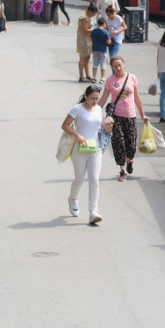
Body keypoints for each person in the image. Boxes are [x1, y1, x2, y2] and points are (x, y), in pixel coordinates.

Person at [61, 84, 112, 225]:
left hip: (95, 148)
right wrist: (77, 135)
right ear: (85, 96)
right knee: (79, 178)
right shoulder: (77, 109)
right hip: (79, 148)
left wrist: (107, 126)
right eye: (92, 98)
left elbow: (98, 126)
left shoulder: (99, 109)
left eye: (97, 98)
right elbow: (65, 125)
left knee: (94, 179)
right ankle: (72, 199)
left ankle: (93, 212)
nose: (95, 101)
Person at [99, 55, 150, 182]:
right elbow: (103, 99)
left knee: (131, 144)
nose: (117, 68)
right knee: (119, 142)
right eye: (115, 66)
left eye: (119, 65)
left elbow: (137, 99)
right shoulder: (110, 80)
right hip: (115, 117)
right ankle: (122, 170)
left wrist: (143, 115)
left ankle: (130, 159)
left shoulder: (132, 78)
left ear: (124, 64)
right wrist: (91, 111)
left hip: (130, 116)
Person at [77, 4, 97, 82]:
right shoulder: (84, 18)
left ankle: (88, 75)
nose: (94, 15)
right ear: (89, 11)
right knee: (82, 57)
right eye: (93, 13)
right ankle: (81, 76)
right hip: (83, 39)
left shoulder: (89, 17)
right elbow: (85, 29)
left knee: (87, 57)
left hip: (88, 39)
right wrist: (95, 30)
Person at [90, 16, 111, 82]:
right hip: (102, 49)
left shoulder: (94, 31)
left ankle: (94, 77)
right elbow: (108, 42)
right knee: (103, 63)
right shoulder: (105, 32)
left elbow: (91, 40)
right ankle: (102, 77)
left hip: (95, 49)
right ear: (104, 23)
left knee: (95, 63)